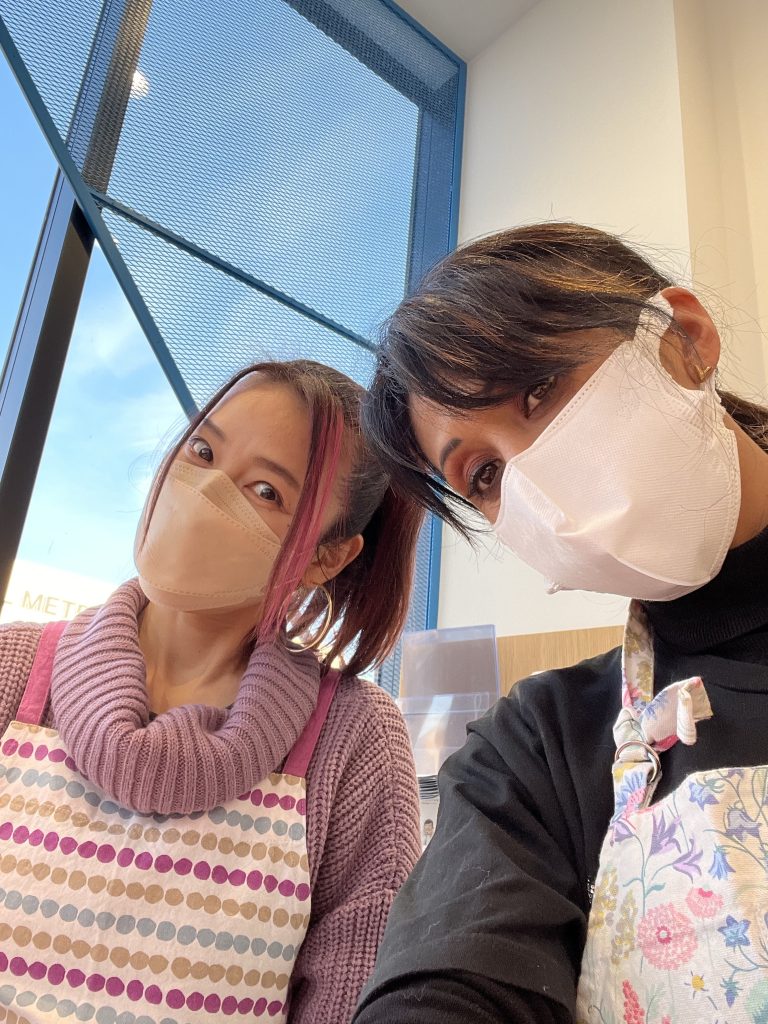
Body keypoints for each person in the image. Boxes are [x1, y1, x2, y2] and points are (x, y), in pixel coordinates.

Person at [353, 223, 768, 1024]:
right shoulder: (538, 746)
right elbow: (448, 985)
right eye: (485, 473)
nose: (535, 473)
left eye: (538, 389)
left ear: (684, 339)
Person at [0, 359, 423, 1023]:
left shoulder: (355, 740)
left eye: (265, 490)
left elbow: (358, 993)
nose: (203, 491)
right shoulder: (12, 667)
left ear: (326, 557)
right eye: (202, 452)